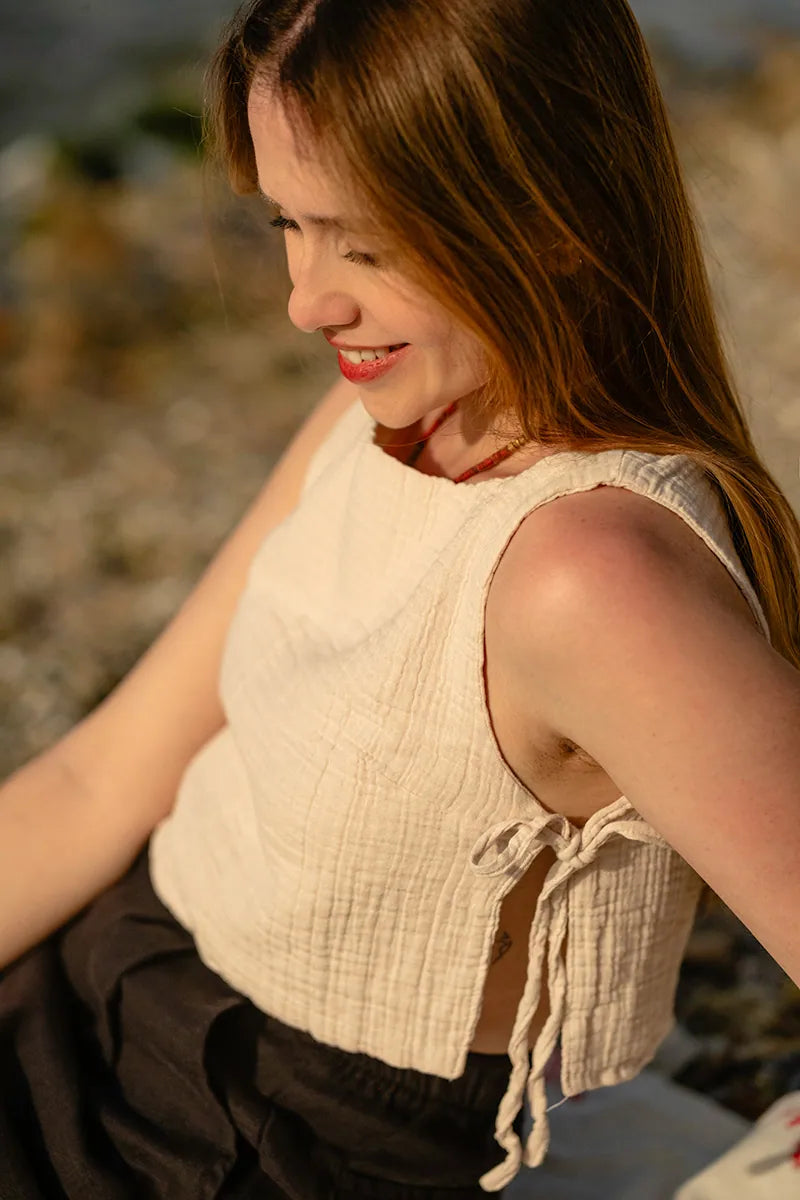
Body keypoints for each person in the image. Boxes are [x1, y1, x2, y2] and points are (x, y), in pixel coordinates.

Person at [1, 0, 799, 1196]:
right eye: (288, 224)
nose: (304, 300)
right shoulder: (377, 421)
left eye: (363, 243)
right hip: (82, 993)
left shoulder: (587, 576)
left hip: (202, 1151)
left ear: (556, 222)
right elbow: (99, 776)